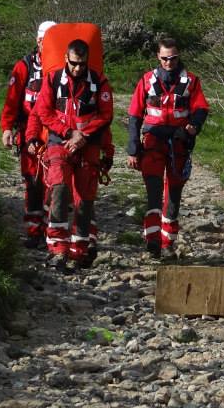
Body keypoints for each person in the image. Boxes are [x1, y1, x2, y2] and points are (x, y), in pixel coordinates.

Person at [28, 38, 113, 272]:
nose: (77, 68)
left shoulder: (99, 82)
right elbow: (43, 112)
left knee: (84, 200)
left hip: (88, 146)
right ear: (66, 58)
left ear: (87, 61)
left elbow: (105, 116)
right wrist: (68, 132)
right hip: (60, 143)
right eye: (74, 63)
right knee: (59, 190)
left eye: (81, 64)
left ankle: (79, 250)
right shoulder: (53, 80)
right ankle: (58, 249)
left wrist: (83, 136)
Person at [127, 37, 209, 259]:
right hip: (153, 142)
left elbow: (201, 108)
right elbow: (134, 115)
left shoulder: (191, 81)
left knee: (173, 195)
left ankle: (168, 243)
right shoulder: (147, 80)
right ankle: (152, 240)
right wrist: (133, 148)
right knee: (153, 193)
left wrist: (194, 126)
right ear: (158, 57)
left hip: (178, 143)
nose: (168, 62)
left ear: (178, 56)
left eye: (172, 58)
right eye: (164, 58)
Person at [0, 20, 56, 248]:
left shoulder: (64, 67)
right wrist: (7, 128)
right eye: (45, 41)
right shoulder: (25, 67)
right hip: (28, 133)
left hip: (55, 133)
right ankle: (34, 231)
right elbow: (12, 100)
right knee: (32, 182)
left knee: (54, 183)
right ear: (38, 41)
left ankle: (53, 231)